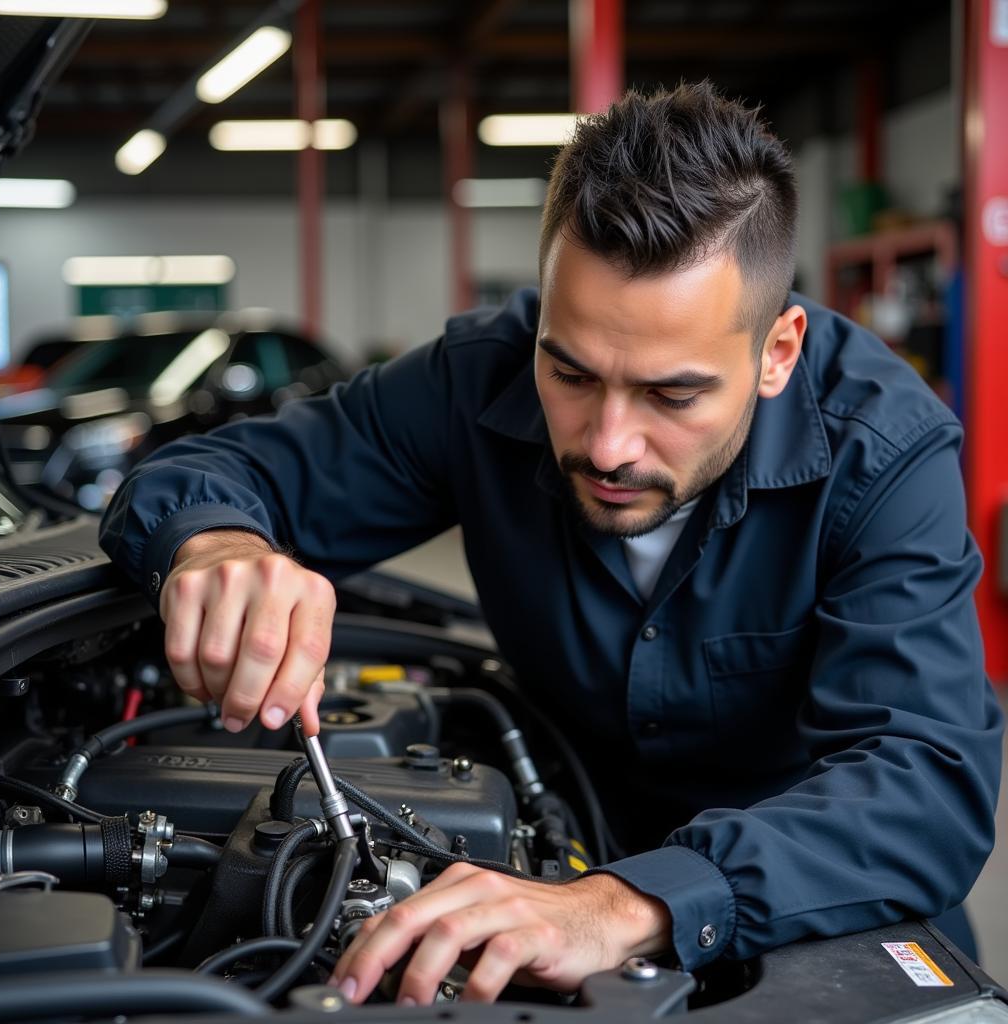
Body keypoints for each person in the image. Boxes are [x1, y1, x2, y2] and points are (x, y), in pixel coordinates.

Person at [99, 81, 1003, 1005]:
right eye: (569, 371)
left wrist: (628, 901)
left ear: (776, 352)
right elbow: (191, 475)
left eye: (672, 395)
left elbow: (925, 785)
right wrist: (213, 546)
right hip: (557, 856)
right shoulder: (475, 378)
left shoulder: (882, 449)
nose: (608, 443)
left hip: (823, 916)